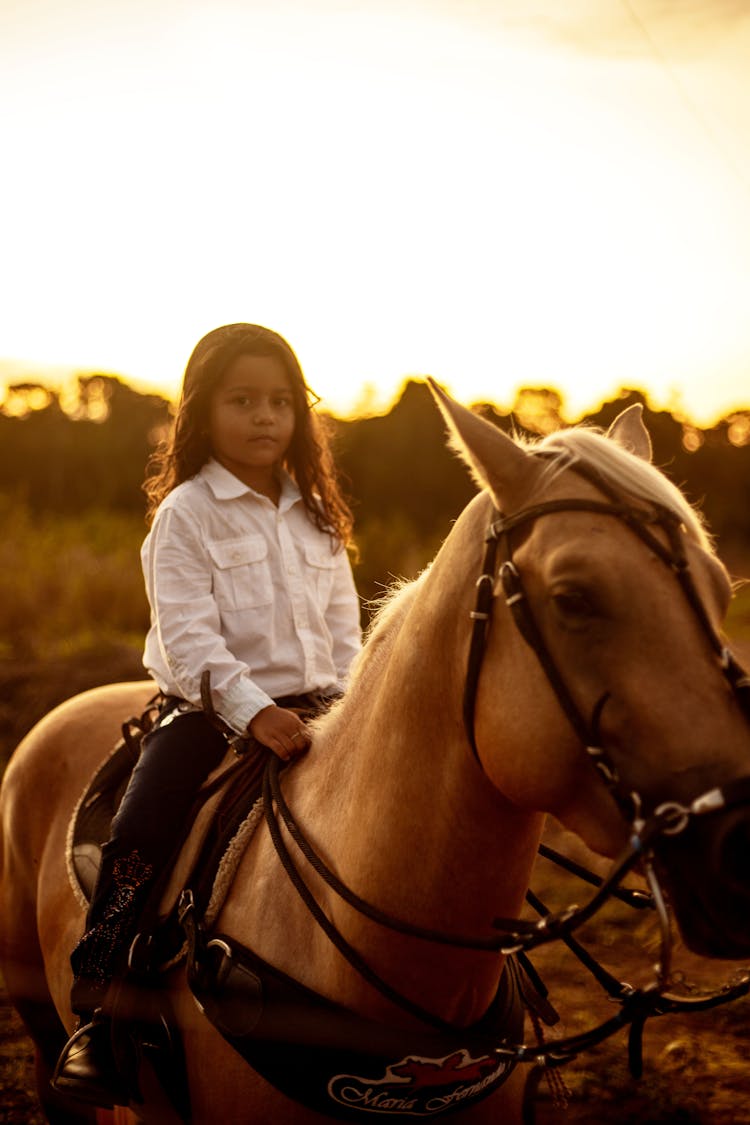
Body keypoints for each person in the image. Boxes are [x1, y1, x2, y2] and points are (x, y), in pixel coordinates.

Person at [52, 323, 362, 1106]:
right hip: (213, 713)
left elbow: (344, 631)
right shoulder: (186, 515)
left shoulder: (317, 516)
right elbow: (188, 641)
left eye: (281, 402)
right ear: (202, 411)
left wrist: (355, 709)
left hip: (324, 708)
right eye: (243, 400)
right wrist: (257, 714)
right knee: (144, 826)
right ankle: (104, 999)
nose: (265, 417)